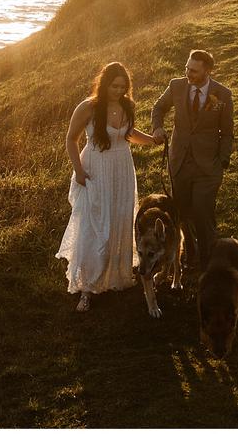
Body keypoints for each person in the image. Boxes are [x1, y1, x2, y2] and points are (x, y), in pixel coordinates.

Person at [57, 62, 160, 311]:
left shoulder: (127, 105)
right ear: (104, 84)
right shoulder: (88, 107)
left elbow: (128, 134)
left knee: (120, 219)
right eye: (114, 86)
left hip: (122, 169)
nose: (118, 91)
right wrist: (78, 170)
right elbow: (71, 138)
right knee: (94, 225)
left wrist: (152, 140)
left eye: (123, 87)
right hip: (96, 168)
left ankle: (114, 277)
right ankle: (87, 288)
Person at [150, 48, 234, 276]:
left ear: (207, 71)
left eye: (194, 71)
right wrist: (157, 127)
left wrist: (223, 161)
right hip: (179, 162)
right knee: (182, 212)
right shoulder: (176, 86)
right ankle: (189, 252)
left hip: (208, 167)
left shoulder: (223, 94)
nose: (188, 73)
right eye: (187, 68)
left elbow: (227, 133)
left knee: (203, 214)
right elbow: (158, 108)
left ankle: (208, 264)